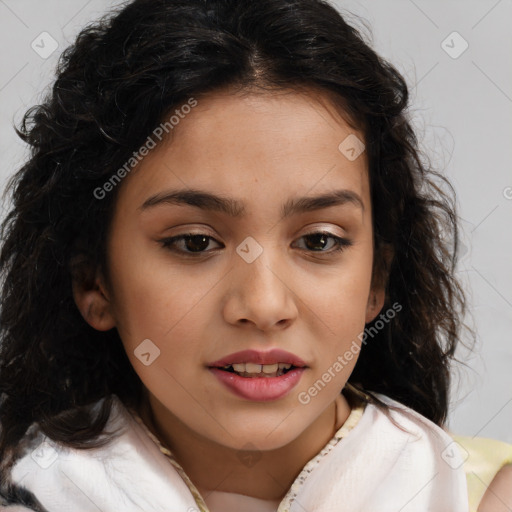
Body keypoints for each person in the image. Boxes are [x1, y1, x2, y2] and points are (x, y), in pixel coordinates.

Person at [0, 0, 472, 510]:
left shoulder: (481, 493)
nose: (264, 306)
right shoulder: (32, 490)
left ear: (376, 280)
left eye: (319, 240)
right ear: (95, 281)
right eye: (195, 242)